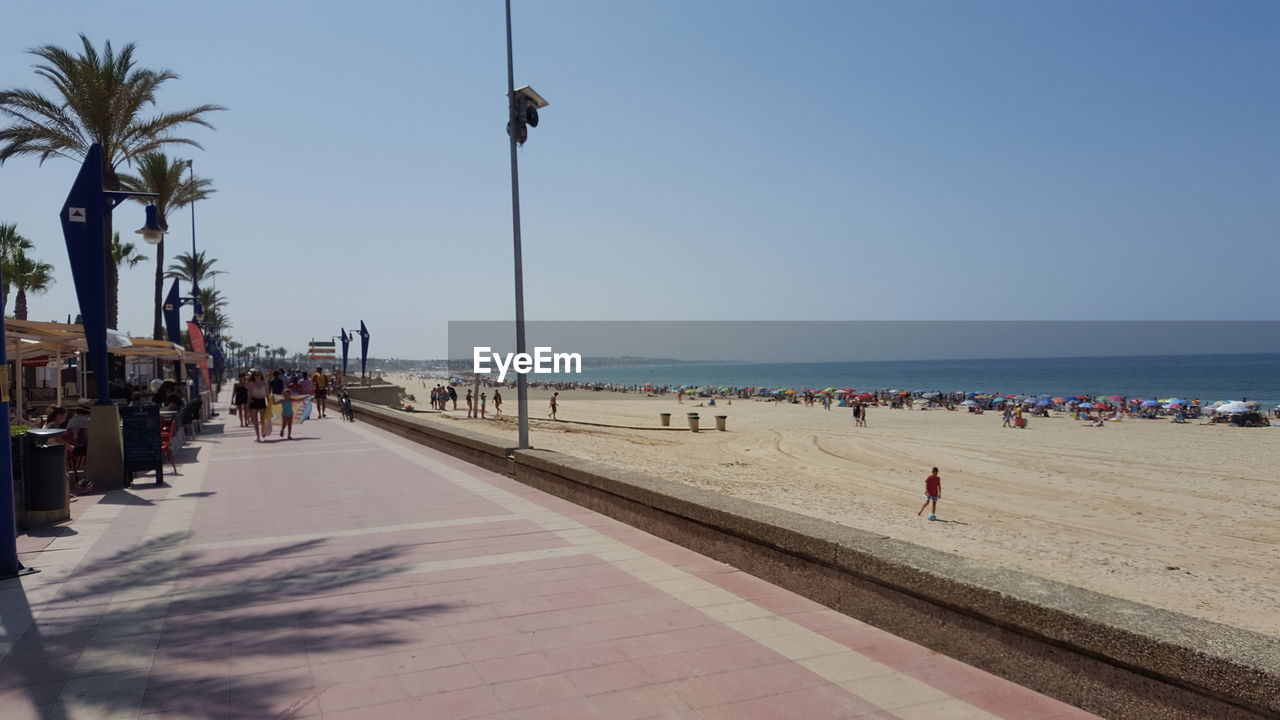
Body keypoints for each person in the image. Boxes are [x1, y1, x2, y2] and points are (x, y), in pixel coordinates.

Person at [246, 370, 270, 442]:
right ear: (253, 376)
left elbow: (267, 395)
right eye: (255, 375)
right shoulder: (251, 384)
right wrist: (248, 405)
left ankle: (263, 430)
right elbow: (249, 396)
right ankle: (257, 436)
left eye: (258, 375)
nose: (257, 376)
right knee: (254, 420)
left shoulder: (265, 383)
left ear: (261, 375)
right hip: (254, 401)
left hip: (262, 401)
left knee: (263, 419)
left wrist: (269, 404)